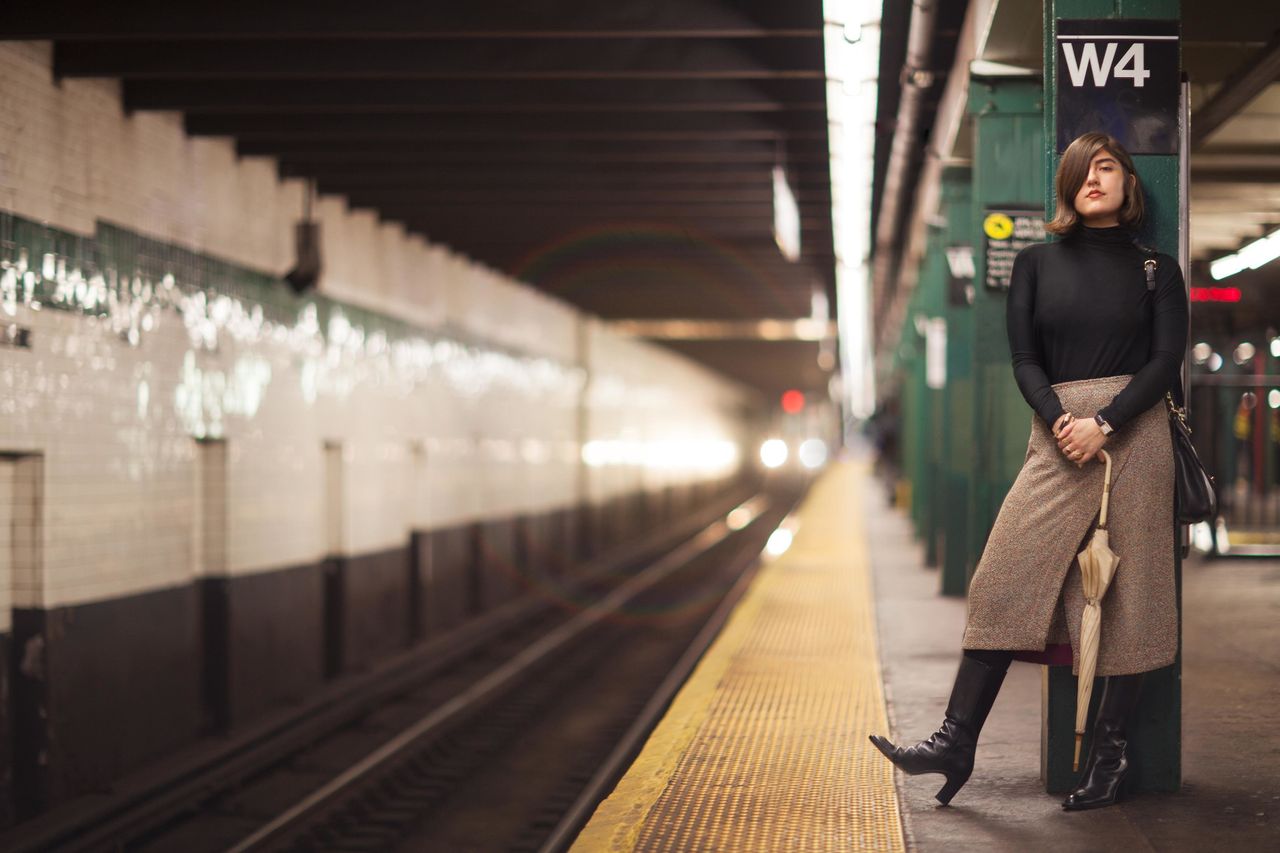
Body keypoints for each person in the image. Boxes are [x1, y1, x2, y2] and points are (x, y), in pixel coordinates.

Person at [868, 131, 1188, 810]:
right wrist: (1061, 419)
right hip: (1056, 435)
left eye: (1108, 168)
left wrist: (1106, 421)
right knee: (1001, 579)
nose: (1095, 178)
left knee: (1131, 599)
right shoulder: (1038, 262)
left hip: (1135, 435)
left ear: (1130, 183)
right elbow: (1023, 357)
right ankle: (956, 740)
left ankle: (1108, 757)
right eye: (1083, 170)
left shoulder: (1157, 268)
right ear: (1067, 187)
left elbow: (1165, 361)